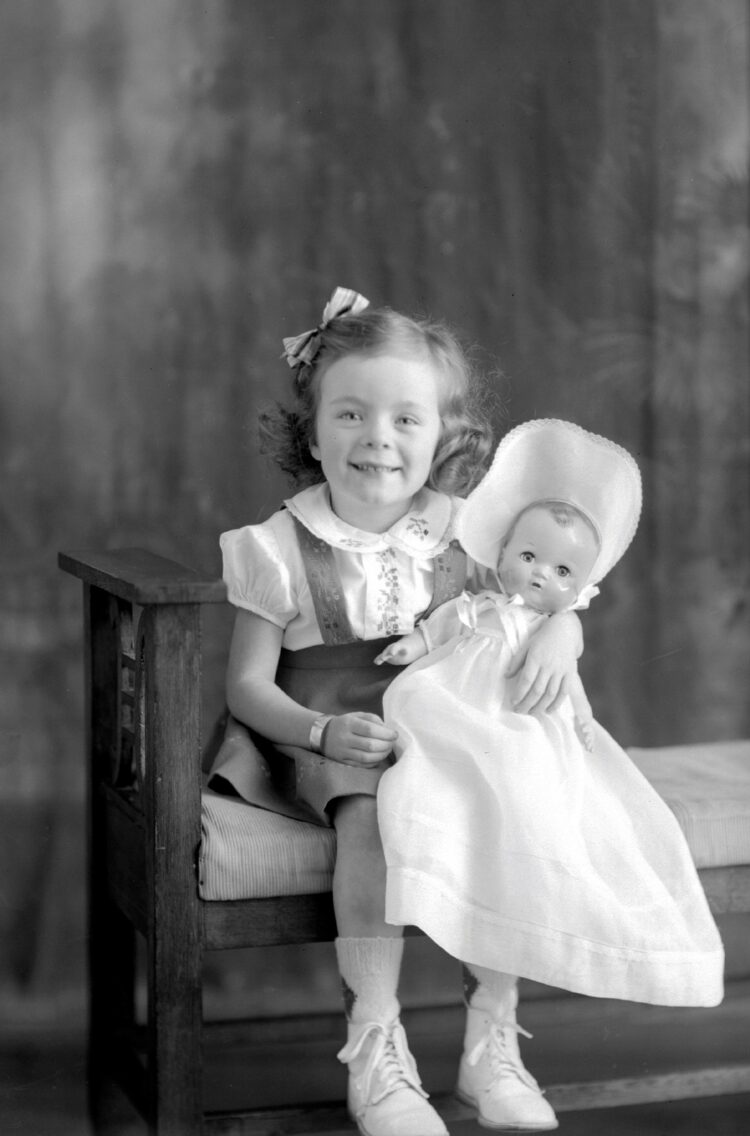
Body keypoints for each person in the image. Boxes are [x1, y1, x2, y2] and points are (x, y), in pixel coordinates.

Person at [209, 290, 585, 1136]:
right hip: (318, 728)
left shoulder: (467, 532)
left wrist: (563, 629)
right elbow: (246, 687)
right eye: (351, 413)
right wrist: (319, 731)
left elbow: (541, 596)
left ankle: (491, 1039)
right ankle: (374, 1044)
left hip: (440, 722)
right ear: (312, 435)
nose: (378, 436)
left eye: (406, 419)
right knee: (372, 811)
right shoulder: (276, 545)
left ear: (442, 439)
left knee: (507, 796)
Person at [376, 419, 725, 1130]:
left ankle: (493, 1042)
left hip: (515, 737)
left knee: (534, 790)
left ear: (579, 589)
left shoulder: (548, 631)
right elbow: (437, 628)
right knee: (448, 759)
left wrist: (583, 720)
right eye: (529, 556)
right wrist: (413, 639)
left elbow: (570, 697)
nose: (539, 575)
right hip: (448, 719)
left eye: (561, 573)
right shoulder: (475, 605)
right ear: (501, 549)